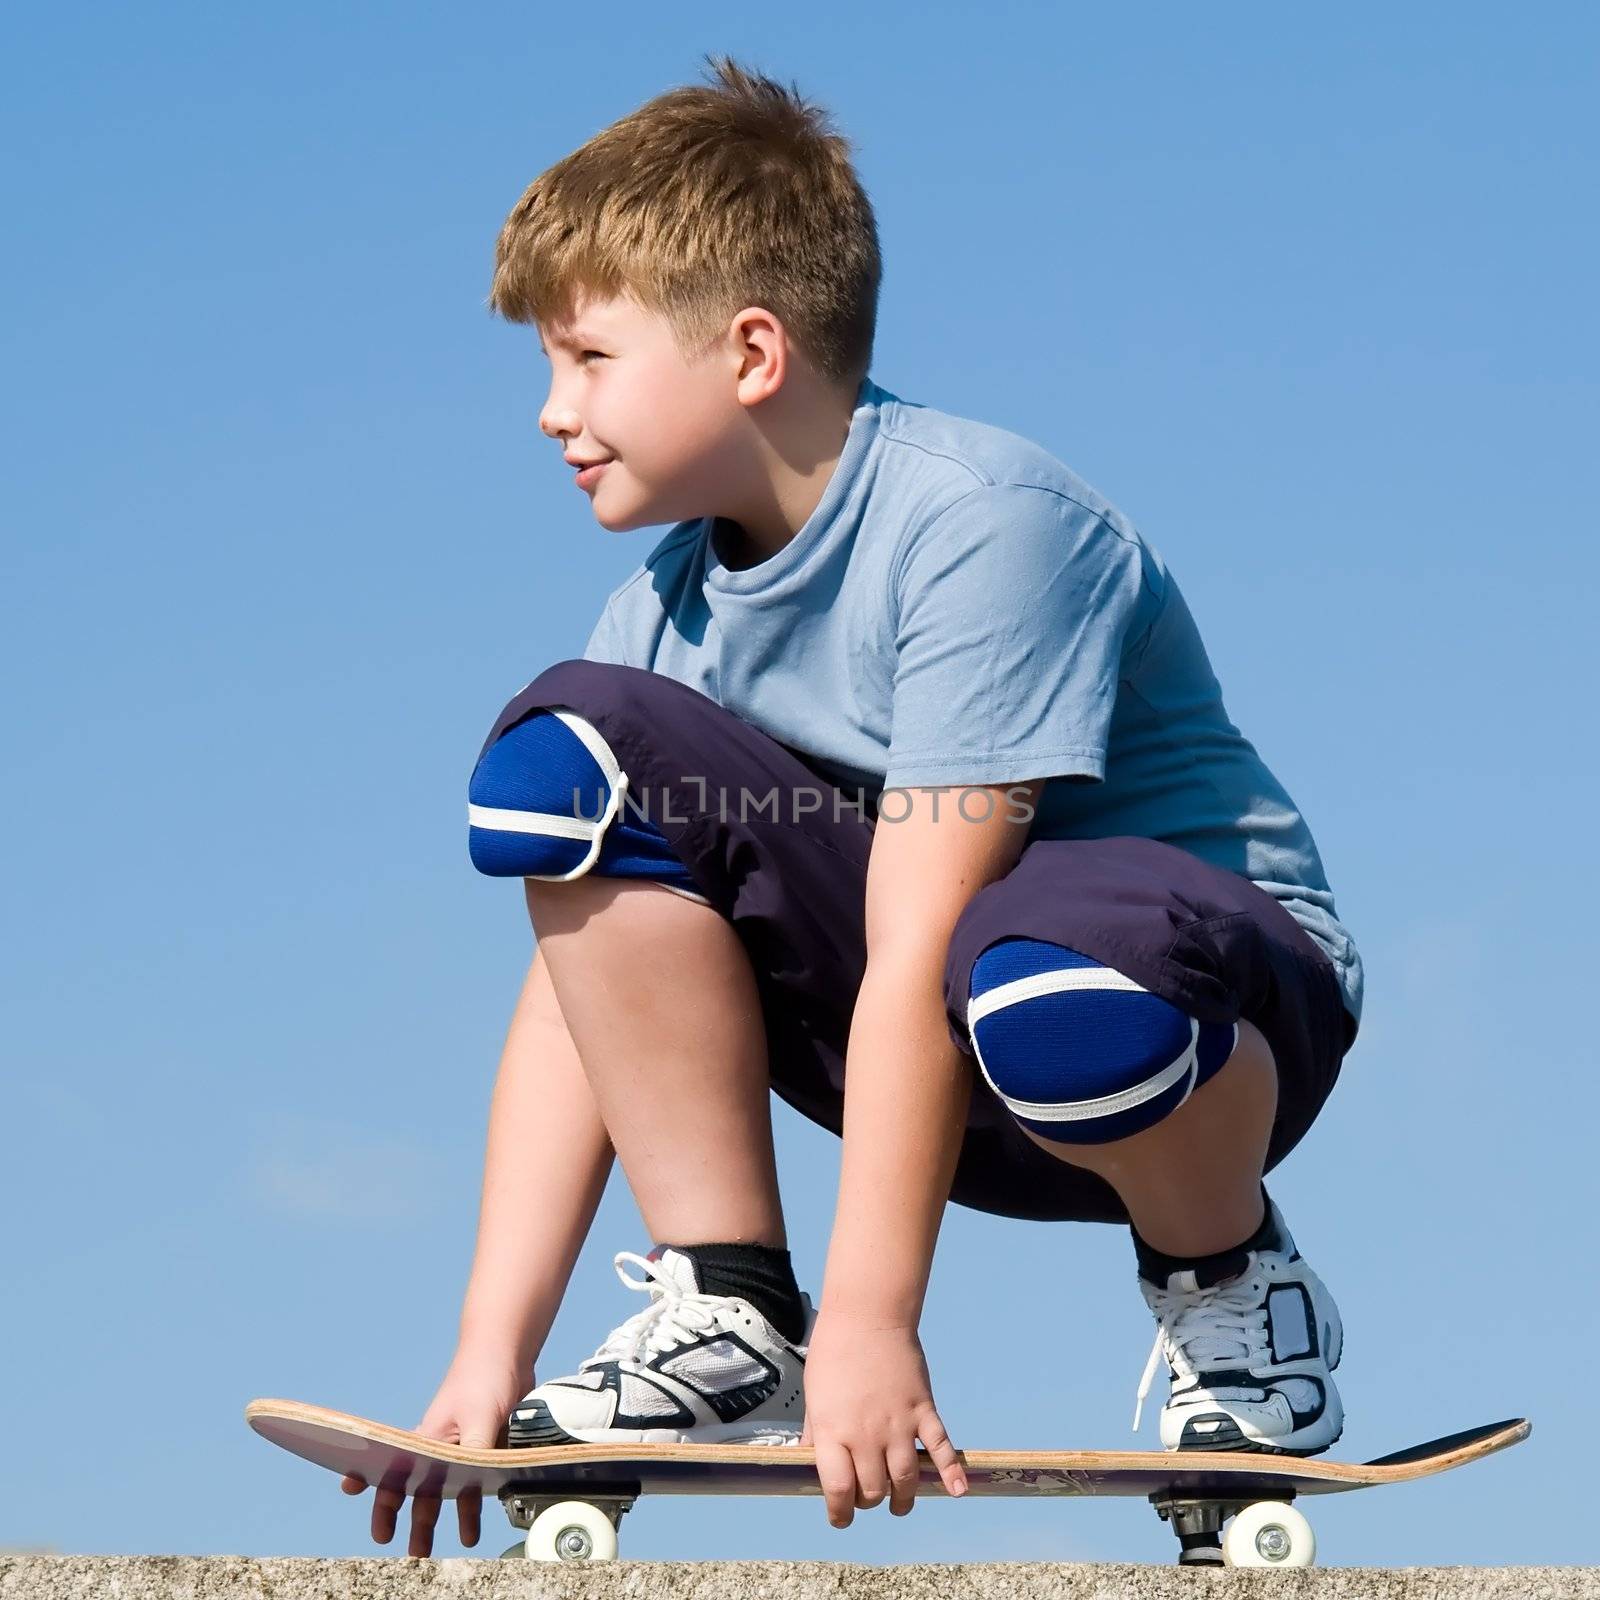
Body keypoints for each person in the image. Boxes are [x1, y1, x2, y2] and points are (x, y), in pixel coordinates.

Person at [342, 55, 1364, 1557]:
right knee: (569, 751)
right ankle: (733, 1307)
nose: (553, 413)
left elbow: (920, 940)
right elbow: (580, 999)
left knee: (1035, 961)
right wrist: (487, 1357)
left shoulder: (982, 527)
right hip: (936, 1047)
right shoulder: (662, 613)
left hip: (1202, 1025)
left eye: (587, 360)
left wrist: (880, 1324)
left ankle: (1232, 1287)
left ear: (751, 351)